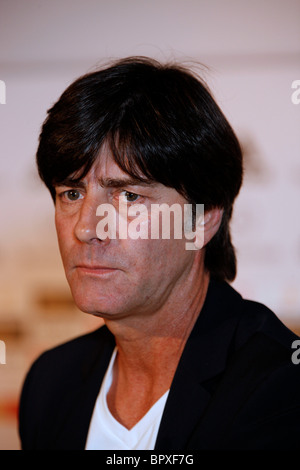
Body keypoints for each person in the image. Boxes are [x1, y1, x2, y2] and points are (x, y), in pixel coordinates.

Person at [19, 57, 300, 450]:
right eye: (72, 193)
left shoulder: (280, 387)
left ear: (203, 219)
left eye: (129, 196)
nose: (85, 228)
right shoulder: (50, 383)